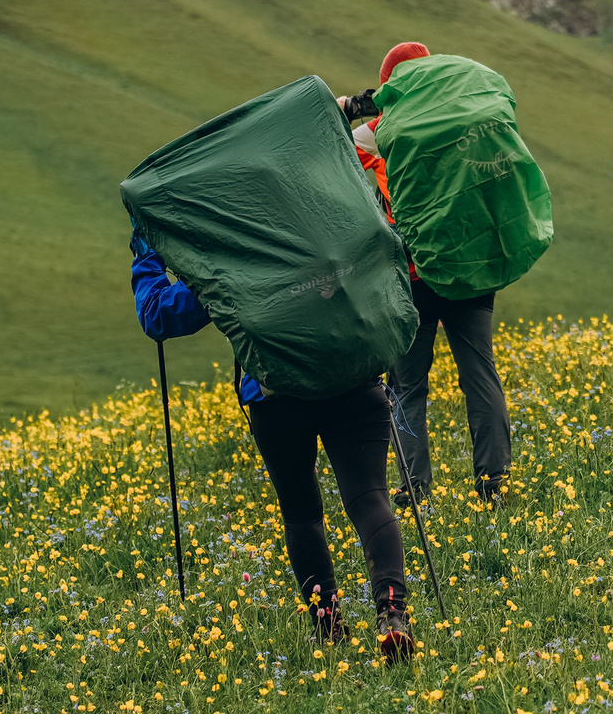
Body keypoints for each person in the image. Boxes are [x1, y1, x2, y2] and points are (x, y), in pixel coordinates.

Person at [130, 230, 413, 663]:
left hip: (277, 396)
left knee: (301, 514)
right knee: (370, 498)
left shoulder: (231, 251)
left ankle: (327, 625)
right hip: (355, 379)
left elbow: (160, 318)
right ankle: (392, 613)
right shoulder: (329, 223)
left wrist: (147, 250)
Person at [339, 42, 514, 508]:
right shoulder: (464, 125)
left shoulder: (377, 134)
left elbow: (330, 140)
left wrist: (355, 104)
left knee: (407, 385)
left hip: (411, 276)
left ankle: (414, 488)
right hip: (469, 268)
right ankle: (494, 481)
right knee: (480, 372)